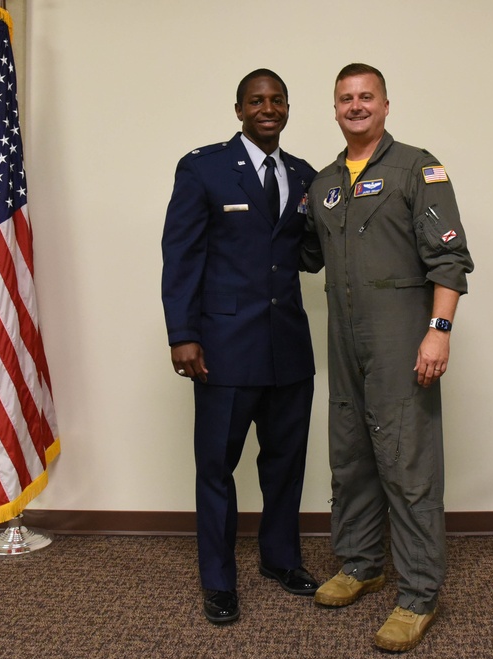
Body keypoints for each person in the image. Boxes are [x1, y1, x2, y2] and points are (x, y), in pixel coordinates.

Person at [302, 63, 474, 652]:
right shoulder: (323, 183)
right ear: (334, 108)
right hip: (345, 340)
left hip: (401, 333)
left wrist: (439, 330)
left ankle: (419, 595)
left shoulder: (418, 169)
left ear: (385, 105)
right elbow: (300, 252)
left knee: (408, 463)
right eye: (345, 98)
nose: (356, 105)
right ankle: (360, 563)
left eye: (365, 96)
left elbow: (450, 261)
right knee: (350, 454)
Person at [161, 68, 320, 625]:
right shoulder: (203, 169)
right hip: (224, 350)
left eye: (277, 100)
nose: (267, 108)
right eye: (257, 100)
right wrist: (183, 335)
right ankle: (219, 580)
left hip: (289, 351)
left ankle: (280, 559)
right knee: (217, 468)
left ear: (287, 108)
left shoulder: (304, 175)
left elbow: (309, 252)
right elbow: (181, 257)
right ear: (239, 109)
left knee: (285, 466)